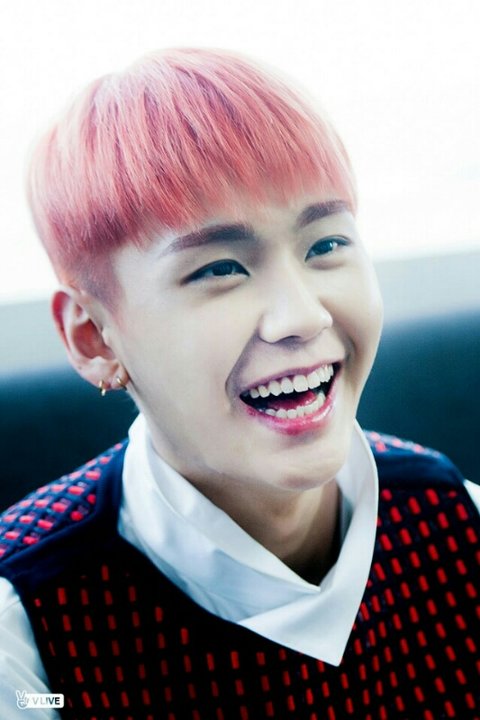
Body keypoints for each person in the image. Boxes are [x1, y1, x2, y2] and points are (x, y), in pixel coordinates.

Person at [0, 48, 479, 720]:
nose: (302, 316)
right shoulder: (23, 634)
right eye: (219, 269)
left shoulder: (459, 521)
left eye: (325, 245)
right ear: (94, 337)